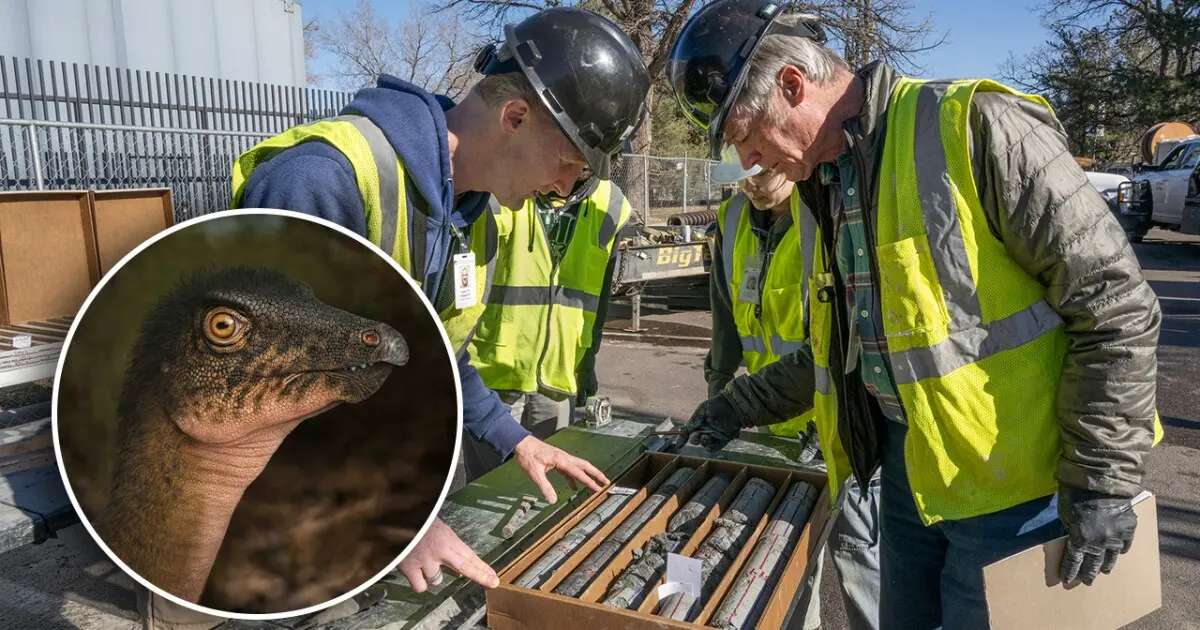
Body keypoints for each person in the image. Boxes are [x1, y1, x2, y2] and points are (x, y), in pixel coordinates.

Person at [136, 8, 651, 628]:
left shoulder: (476, 215)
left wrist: (518, 440)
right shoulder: (323, 181)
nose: (567, 190)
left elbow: (443, 358)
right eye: (573, 164)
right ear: (515, 118)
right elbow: (249, 386)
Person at [666, 1, 1163, 628]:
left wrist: (1101, 478)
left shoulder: (974, 124)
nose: (747, 162)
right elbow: (840, 354)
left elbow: (1115, 303)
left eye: (744, 135)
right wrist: (735, 406)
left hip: (1021, 493)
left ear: (792, 85)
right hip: (912, 479)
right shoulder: (825, 188)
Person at [706, 163, 880, 630]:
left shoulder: (825, 213)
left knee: (861, 560)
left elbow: (834, 345)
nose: (751, 184)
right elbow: (725, 322)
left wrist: (740, 402)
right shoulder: (731, 218)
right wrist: (717, 396)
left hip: (836, 423)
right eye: (741, 175)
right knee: (789, 559)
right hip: (768, 421)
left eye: (760, 171)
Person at [463, 176, 634, 481]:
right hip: (492, 374)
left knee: (550, 487)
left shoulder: (612, 203)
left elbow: (600, 298)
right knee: (488, 488)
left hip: (560, 375)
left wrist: (586, 365)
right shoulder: (504, 182)